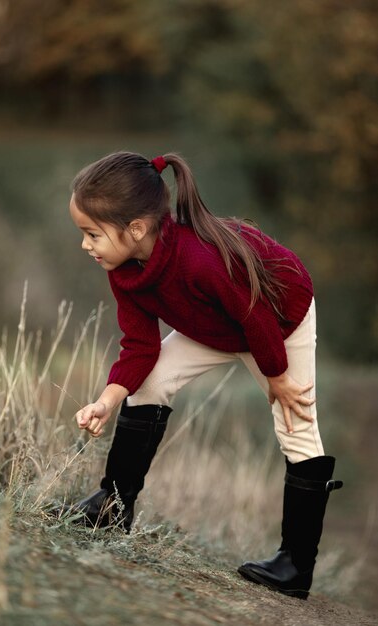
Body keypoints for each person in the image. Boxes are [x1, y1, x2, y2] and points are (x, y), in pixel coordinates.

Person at [65, 151, 342, 600]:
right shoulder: (125, 271)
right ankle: (112, 507)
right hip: (214, 324)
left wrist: (277, 378)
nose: (85, 245)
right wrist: (106, 400)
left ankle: (295, 566)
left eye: (92, 234)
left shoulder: (199, 260)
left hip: (277, 317)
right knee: (152, 381)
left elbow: (255, 316)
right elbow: (140, 348)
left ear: (135, 228)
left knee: (296, 424)